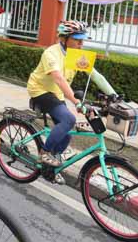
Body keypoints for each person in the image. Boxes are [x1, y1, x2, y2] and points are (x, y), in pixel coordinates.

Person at [27, 20, 116, 181]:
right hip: (40, 90)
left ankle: (49, 168)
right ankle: (44, 154)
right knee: (69, 119)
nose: (81, 44)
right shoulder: (51, 53)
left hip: (57, 93)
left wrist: (114, 95)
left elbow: (95, 76)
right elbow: (59, 80)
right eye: (77, 40)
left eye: (83, 40)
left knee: (66, 135)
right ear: (64, 38)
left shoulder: (76, 55)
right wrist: (76, 102)